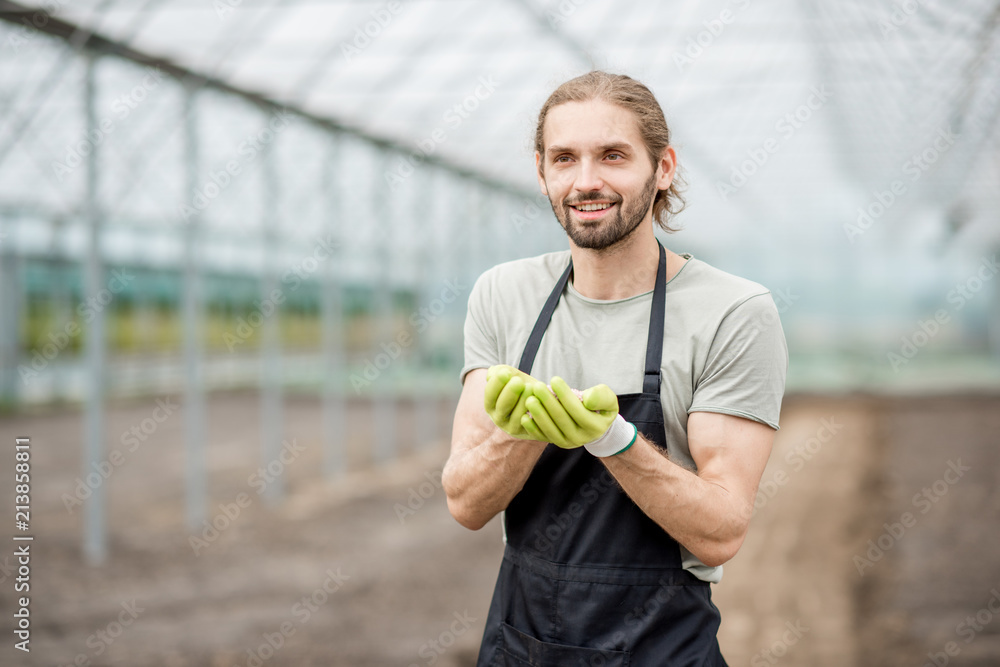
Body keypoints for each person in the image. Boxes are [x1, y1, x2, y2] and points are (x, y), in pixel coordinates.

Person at [442, 70, 788, 666]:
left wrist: (612, 438)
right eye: (564, 158)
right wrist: (524, 431)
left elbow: (721, 529)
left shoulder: (732, 312)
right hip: (521, 643)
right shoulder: (504, 295)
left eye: (613, 156)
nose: (586, 181)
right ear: (541, 171)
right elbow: (466, 503)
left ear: (664, 168)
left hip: (660, 648)